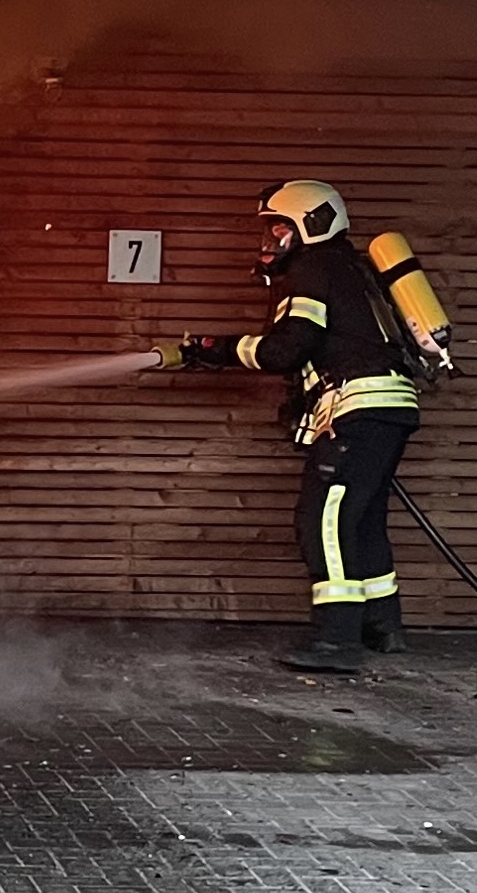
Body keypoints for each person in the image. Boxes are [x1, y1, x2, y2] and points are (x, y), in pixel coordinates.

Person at [161, 179, 437, 675]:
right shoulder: (352, 268)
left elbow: (285, 349)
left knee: (323, 521)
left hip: (357, 407)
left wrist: (216, 349)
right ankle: (383, 627)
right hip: (389, 406)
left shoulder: (312, 269)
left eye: (280, 228)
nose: (272, 239)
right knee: (363, 520)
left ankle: (337, 641)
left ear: (312, 224)